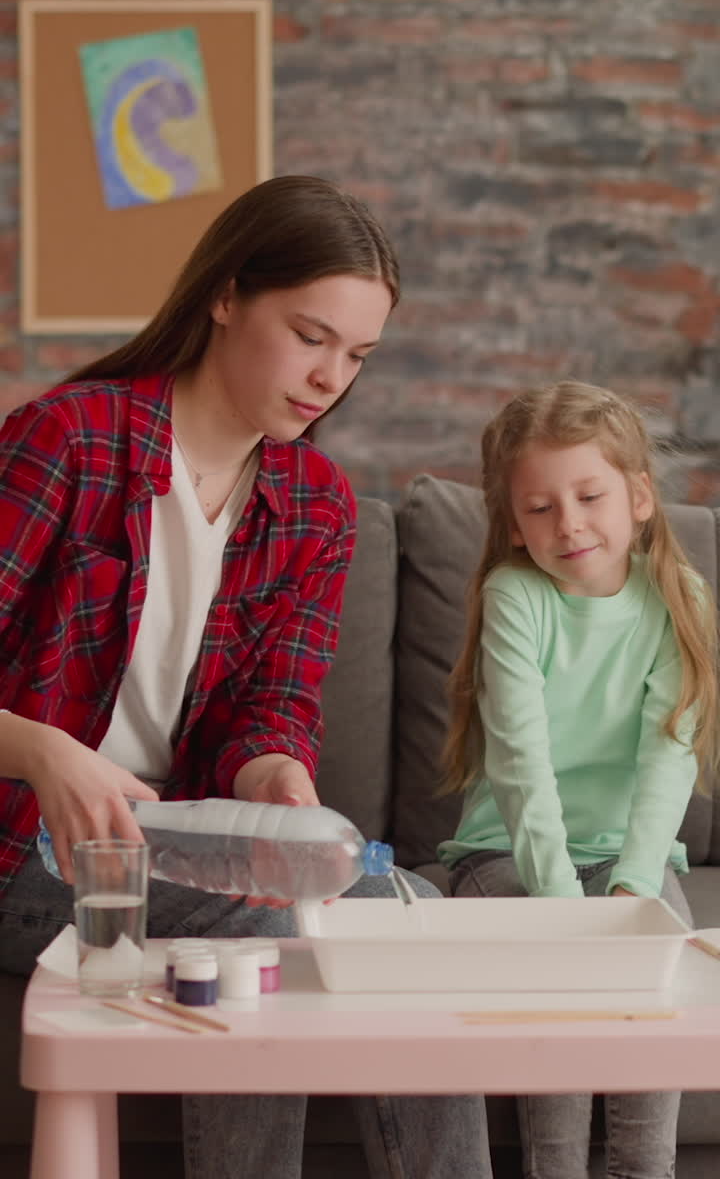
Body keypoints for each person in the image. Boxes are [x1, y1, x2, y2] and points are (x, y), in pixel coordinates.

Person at [0, 175, 493, 1179]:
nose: (330, 378)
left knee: (408, 918)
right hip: (26, 845)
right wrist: (44, 751)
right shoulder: (71, 440)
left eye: (356, 355)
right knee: (263, 926)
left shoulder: (317, 503)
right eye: (311, 336)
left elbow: (275, 707)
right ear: (226, 295)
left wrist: (276, 775)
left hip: (178, 844)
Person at [438, 379, 718, 1179]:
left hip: (628, 856)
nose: (569, 524)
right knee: (555, 967)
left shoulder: (679, 597)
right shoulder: (515, 596)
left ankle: (643, 1170)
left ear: (639, 498)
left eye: (589, 496)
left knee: (658, 966)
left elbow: (669, 752)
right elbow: (521, 763)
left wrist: (634, 885)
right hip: (508, 853)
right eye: (540, 507)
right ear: (513, 525)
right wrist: (563, 906)